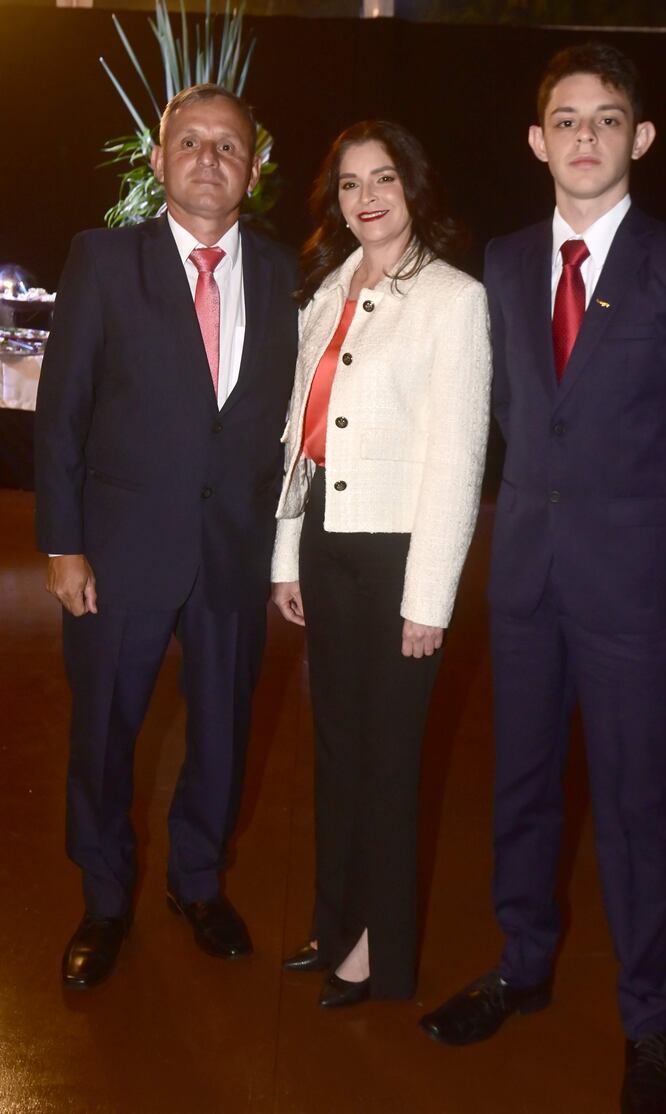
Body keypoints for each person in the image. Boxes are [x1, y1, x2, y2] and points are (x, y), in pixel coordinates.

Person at [419, 42, 666, 1114]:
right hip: (522, 583)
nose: (584, 138)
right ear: (534, 140)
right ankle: (522, 964)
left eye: (606, 119)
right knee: (519, 790)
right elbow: (504, 416)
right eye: (564, 119)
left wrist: (645, 533)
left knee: (637, 807)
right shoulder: (505, 263)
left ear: (638, 137)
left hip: (627, 592)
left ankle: (646, 1015)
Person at [35, 84, 298, 988]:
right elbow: (62, 411)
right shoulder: (103, 260)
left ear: (254, 169)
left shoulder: (279, 273)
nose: (209, 158)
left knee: (223, 733)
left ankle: (197, 881)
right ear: (159, 160)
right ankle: (104, 901)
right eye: (191, 141)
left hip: (232, 553)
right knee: (105, 737)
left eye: (229, 145)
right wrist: (62, 544)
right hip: (118, 554)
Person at [271, 120, 491, 1007]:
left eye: (385, 180)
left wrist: (429, 597)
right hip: (326, 541)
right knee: (335, 750)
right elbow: (302, 437)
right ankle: (335, 920)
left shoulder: (454, 299)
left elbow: (458, 459)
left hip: (401, 556)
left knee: (389, 760)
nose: (368, 198)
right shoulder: (324, 290)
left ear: (414, 190)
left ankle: (378, 952)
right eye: (352, 183)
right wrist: (286, 554)